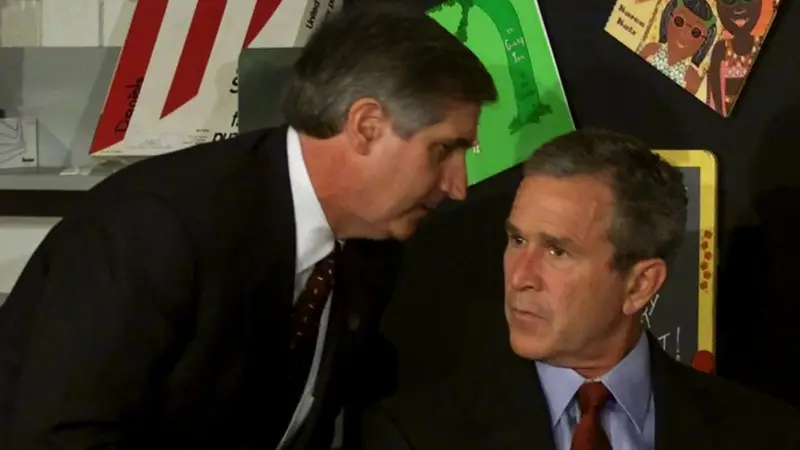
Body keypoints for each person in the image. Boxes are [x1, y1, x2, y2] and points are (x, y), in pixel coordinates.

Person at [0, 4, 497, 449]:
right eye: (444, 149)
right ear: (367, 127)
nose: (458, 185)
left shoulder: (374, 239)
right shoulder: (156, 228)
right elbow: (60, 436)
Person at [359, 129, 800, 449]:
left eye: (557, 251)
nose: (519, 276)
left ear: (640, 284)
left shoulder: (765, 434)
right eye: (517, 240)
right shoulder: (414, 434)